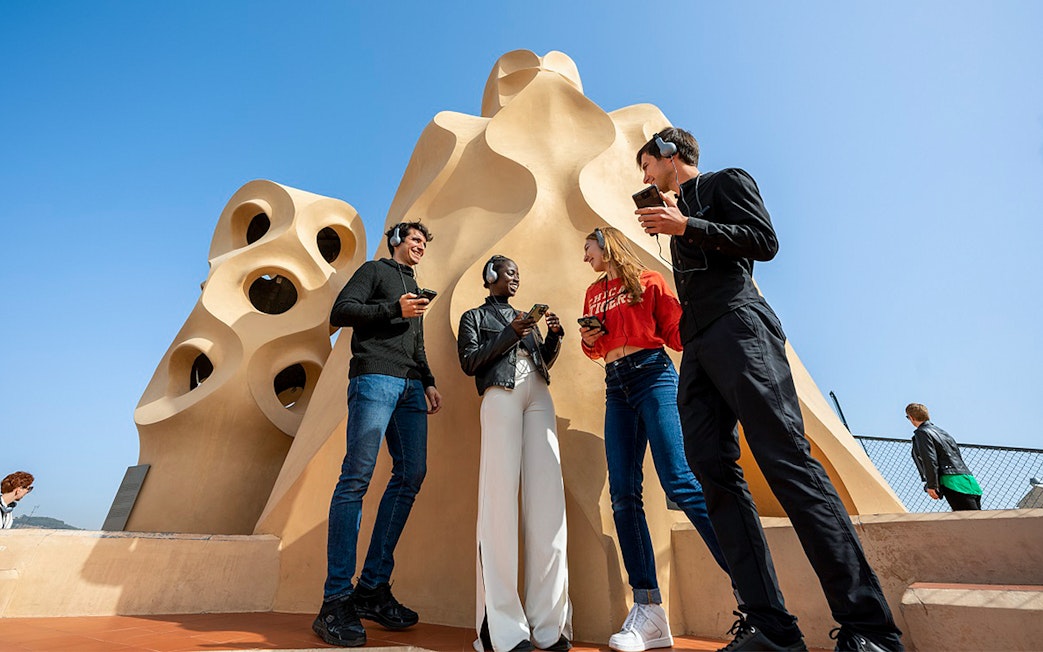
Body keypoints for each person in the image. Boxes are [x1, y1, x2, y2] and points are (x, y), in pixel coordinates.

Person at [633, 128, 903, 652]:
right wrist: (677, 223)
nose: (642, 177)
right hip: (697, 346)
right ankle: (772, 629)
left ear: (669, 154)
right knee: (711, 472)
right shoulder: (674, 213)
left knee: (786, 461)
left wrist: (687, 223)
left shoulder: (725, 181)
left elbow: (764, 241)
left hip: (740, 326)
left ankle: (870, 628)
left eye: (645, 164)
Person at [579, 227, 733, 652]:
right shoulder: (592, 294)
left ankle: (747, 582)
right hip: (616, 386)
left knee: (679, 480)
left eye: (587, 247)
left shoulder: (648, 281)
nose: (584, 256)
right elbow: (594, 349)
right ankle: (648, 610)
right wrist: (589, 339)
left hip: (654, 375)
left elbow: (676, 333)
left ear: (604, 243)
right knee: (623, 496)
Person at [313, 221, 443, 648]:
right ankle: (335, 601)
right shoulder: (374, 271)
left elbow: (416, 340)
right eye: (414, 239)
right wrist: (393, 309)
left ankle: (371, 588)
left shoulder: (415, 287)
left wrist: (427, 379)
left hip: (409, 387)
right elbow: (341, 313)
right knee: (356, 478)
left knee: (411, 475)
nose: (420, 245)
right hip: (373, 380)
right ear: (396, 242)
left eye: (425, 242)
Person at [458, 255, 572, 652]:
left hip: (538, 395)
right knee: (499, 505)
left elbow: (540, 360)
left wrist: (552, 338)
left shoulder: (526, 317)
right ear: (491, 277)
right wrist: (510, 332)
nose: (515, 278)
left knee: (548, 505)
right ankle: (501, 629)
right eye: (509, 272)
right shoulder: (473, 317)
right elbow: (470, 362)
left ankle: (549, 625)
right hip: (499, 396)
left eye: (518, 274)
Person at [906, 403, 982, 511]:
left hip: (951, 480)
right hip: (967, 479)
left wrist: (932, 485)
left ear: (911, 418)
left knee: (968, 522)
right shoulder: (943, 432)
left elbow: (929, 459)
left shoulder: (922, 433)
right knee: (976, 520)